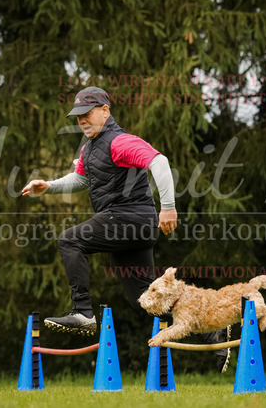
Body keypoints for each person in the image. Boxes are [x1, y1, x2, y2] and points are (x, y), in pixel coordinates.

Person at [22, 87, 230, 372]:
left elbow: (159, 162)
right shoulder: (89, 148)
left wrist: (168, 207)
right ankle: (212, 329)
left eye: (87, 113)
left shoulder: (120, 141)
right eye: (78, 116)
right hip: (128, 227)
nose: (82, 120)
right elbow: (81, 179)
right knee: (145, 299)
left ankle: (82, 312)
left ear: (105, 111)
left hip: (129, 220)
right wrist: (49, 186)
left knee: (70, 240)